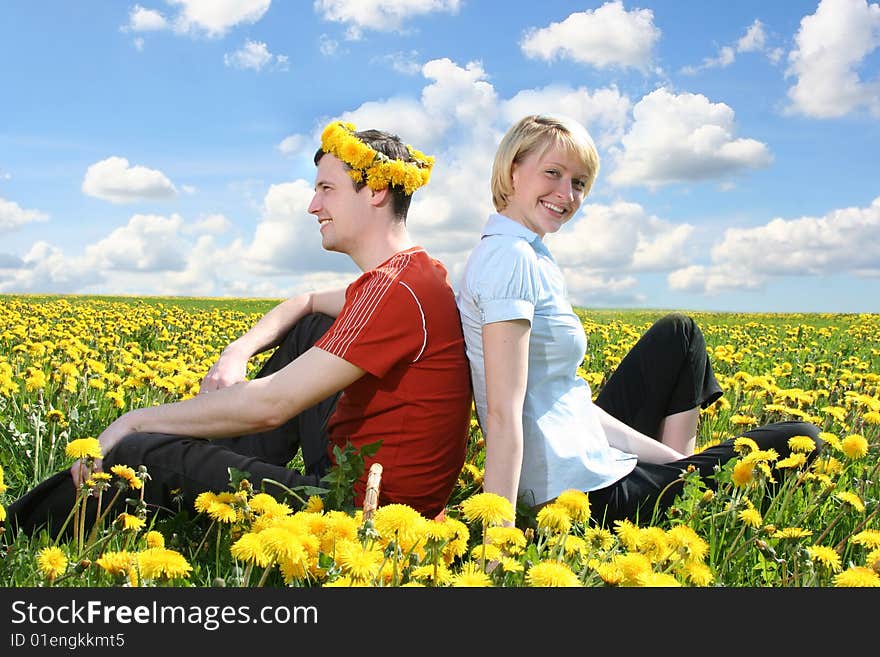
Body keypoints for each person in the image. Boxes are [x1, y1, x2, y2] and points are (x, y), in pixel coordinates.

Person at [7, 120, 473, 537]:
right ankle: (211, 477)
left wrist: (134, 420)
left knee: (137, 454)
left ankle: (16, 532)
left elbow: (273, 405)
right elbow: (305, 301)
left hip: (366, 517)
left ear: (375, 191)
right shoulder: (411, 274)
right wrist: (237, 351)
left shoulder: (395, 291)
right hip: (358, 475)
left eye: (326, 189)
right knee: (311, 324)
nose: (313, 205)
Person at [456, 114, 822, 527]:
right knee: (800, 438)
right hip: (577, 496)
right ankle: (684, 509)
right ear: (512, 170)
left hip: (584, 456)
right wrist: (498, 547)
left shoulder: (528, 252)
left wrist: (679, 464)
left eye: (578, 183)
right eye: (553, 173)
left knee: (678, 334)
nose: (567, 194)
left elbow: (568, 402)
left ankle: (682, 479)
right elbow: (504, 414)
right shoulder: (511, 257)